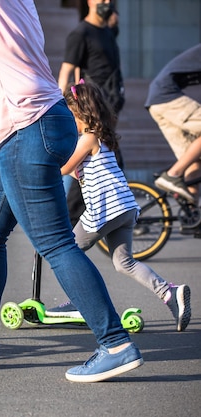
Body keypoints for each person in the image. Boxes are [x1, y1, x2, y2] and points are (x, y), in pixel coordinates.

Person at [0, 0, 143, 383]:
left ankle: (115, 344)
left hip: (24, 130)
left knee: (54, 243)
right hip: (40, 123)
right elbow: (4, 67)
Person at [45, 81, 191, 332]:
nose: (70, 123)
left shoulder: (88, 138)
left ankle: (80, 302)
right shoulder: (102, 136)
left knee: (66, 251)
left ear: (80, 113)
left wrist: (42, 165)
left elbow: (65, 168)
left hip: (105, 209)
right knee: (124, 263)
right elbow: (84, 172)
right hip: (124, 208)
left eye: (71, 117)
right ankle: (169, 293)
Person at [58, 0, 125, 226]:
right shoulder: (81, 33)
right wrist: (61, 106)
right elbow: (67, 70)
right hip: (92, 107)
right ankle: (72, 218)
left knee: (110, 158)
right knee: (88, 161)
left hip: (110, 105)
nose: (105, 2)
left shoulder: (108, 31)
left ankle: (116, 208)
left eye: (109, 0)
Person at [146, 44, 201, 206]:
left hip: (158, 101)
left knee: (193, 161)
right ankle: (173, 174)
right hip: (166, 97)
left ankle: (192, 219)